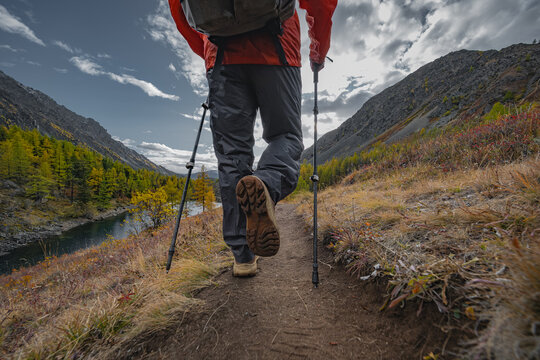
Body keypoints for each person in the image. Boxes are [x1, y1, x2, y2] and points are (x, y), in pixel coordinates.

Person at [169, 0, 337, 277]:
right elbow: (321, 3)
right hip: (279, 47)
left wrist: (210, 55)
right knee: (286, 136)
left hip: (221, 56)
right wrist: (318, 53)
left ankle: (243, 257)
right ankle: (268, 184)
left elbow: (179, 9)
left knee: (231, 155)